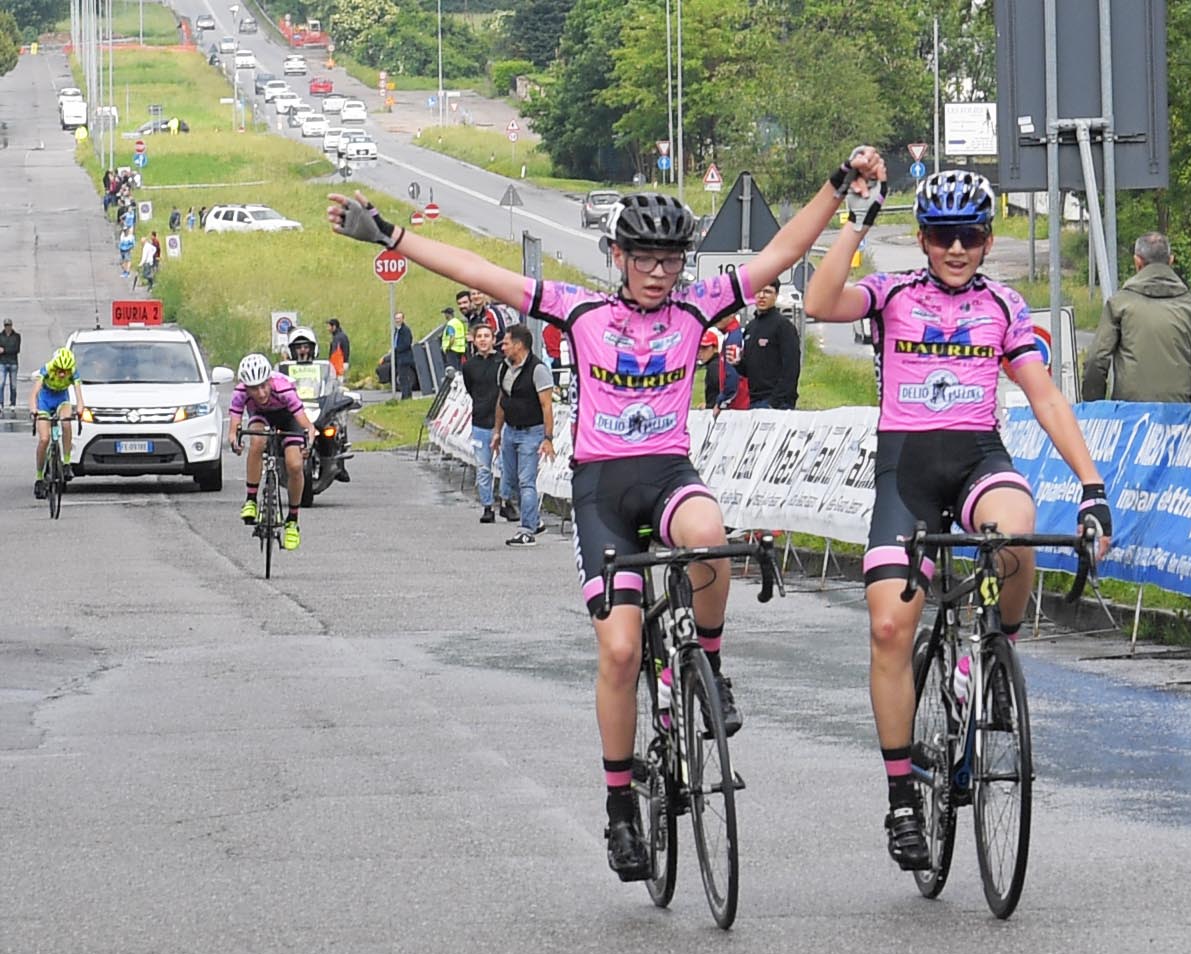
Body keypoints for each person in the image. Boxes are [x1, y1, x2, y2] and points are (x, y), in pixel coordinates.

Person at [326, 144, 882, 882]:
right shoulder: (580, 308)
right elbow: (480, 273)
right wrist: (392, 235)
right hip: (602, 490)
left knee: (710, 537)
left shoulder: (697, 304)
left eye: (671, 259)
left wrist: (838, 186)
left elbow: (783, 251)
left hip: (669, 474)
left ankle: (711, 666)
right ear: (617, 257)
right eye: (644, 258)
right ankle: (621, 804)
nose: (658, 272)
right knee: (620, 652)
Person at [803, 167, 1113, 873]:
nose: (955, 249)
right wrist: (858, 218)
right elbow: (819, 301)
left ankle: (1000, 649)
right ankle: (901, 799)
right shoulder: (891, 294)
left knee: (1016, 528)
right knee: (890, 627)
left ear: (987, 240)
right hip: (906, 473)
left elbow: (1045, 398)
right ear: (921, 239)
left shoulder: (1004, 305)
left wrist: (1091, 485)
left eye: (969, 236)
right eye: (942, 236)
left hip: (977, 458)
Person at [1081, 232, 1191, 404]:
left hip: (1131, 411)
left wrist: (1093, 406)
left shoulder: (1119, 304)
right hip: (1178, 411)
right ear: (1170, 261)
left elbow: (1096, 360)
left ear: (1137, 262)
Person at [227, 353, 314, 551]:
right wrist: (234, 441)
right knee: (257, 441)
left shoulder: (283, 388)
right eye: (253, 388)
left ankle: (292, 521)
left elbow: (306, 425)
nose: (260, 393)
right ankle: (251, 500)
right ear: (246, 387)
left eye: (263, 386)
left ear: (269, 381)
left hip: (288, 418)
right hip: (261, 416)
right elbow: (233, 429)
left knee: (294, 465)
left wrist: (308, 442)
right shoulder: (240, 392)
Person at [492, 322, 554, 545]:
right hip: (510, 430)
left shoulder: (538, 370)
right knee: (511, 480)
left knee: (527, 481)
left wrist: (548, 438)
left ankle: (527, 530)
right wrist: (497, 431)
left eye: (506, 343)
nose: (502, 347)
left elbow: (547, 406)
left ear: (519, 345)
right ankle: (535, 521)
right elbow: (502, 400)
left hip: (531, 432)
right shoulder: (504, 368)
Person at [460, 323, 504, 522]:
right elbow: (470, 388)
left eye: (487, 336)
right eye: (480, 336)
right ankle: (487, 506)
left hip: (502, 422)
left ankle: (506, 501)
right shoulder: (469, 366)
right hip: (480, 422)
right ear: (474, 340)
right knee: (483, 467)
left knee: (505, 467)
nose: (483, 340)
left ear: (493, 339)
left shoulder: (502, 362)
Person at [30, 347, 85, 499]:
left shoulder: (73, 372)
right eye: (59, 370)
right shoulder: (47, 369)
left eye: (65, 371)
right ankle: (39, 478)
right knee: (44, 439)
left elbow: (79, 396)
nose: (62, 374)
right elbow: (34, 393)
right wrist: (33, 409)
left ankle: (66, 463)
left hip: (61, 399)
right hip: (45, 401)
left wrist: (80, 408)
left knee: (66, 423)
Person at [738, 280, 801, 408]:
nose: (762, 296)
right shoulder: (750, 327)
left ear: (776, 295)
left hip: (777, 403)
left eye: (767, 292)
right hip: (754, 400)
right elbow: (748, 370)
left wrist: (775, 402)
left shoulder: (783, 326)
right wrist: (737, 363)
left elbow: (791, 368)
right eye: (758, 291)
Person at [698, 326, 747, 415]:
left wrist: (712, 405)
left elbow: (725, 387)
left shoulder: (713, 367)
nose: (700, 352)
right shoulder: (718, 362)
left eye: (705, 348)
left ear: (715, 348)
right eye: (699, 348)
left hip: (721, 411)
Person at [392, 311, 416, 399]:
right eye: (396, 318)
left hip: (404, 357)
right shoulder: (397, 330)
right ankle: (406, 395)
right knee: (403, 377)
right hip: (399, 357)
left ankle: (406, 396)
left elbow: (407, 343)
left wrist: (397, 349)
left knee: (404, 377)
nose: (397, 320)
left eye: (399, 318)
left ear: (403, 319)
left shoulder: (405, 330)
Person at [440, 303, 468, 373]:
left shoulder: (450, 324)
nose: (445, 316)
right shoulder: (459, 322)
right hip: (461, 349)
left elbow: (452, 337)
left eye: (445, 314)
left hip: (452, 349)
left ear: (448, 314)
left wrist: (448, 347)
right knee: (460, 369)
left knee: (453, 369)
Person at [0, 317, 20, 407]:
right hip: (2, 362)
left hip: (13, 363)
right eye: (6, 325)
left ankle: (13, 403)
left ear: (11, 326)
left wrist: (4, 350)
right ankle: (1, 403)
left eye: (9, 325)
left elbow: (16, 349)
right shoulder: (0, 336)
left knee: (13, 385)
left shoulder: (16, 336)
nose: (7, 327)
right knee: (1, 383)